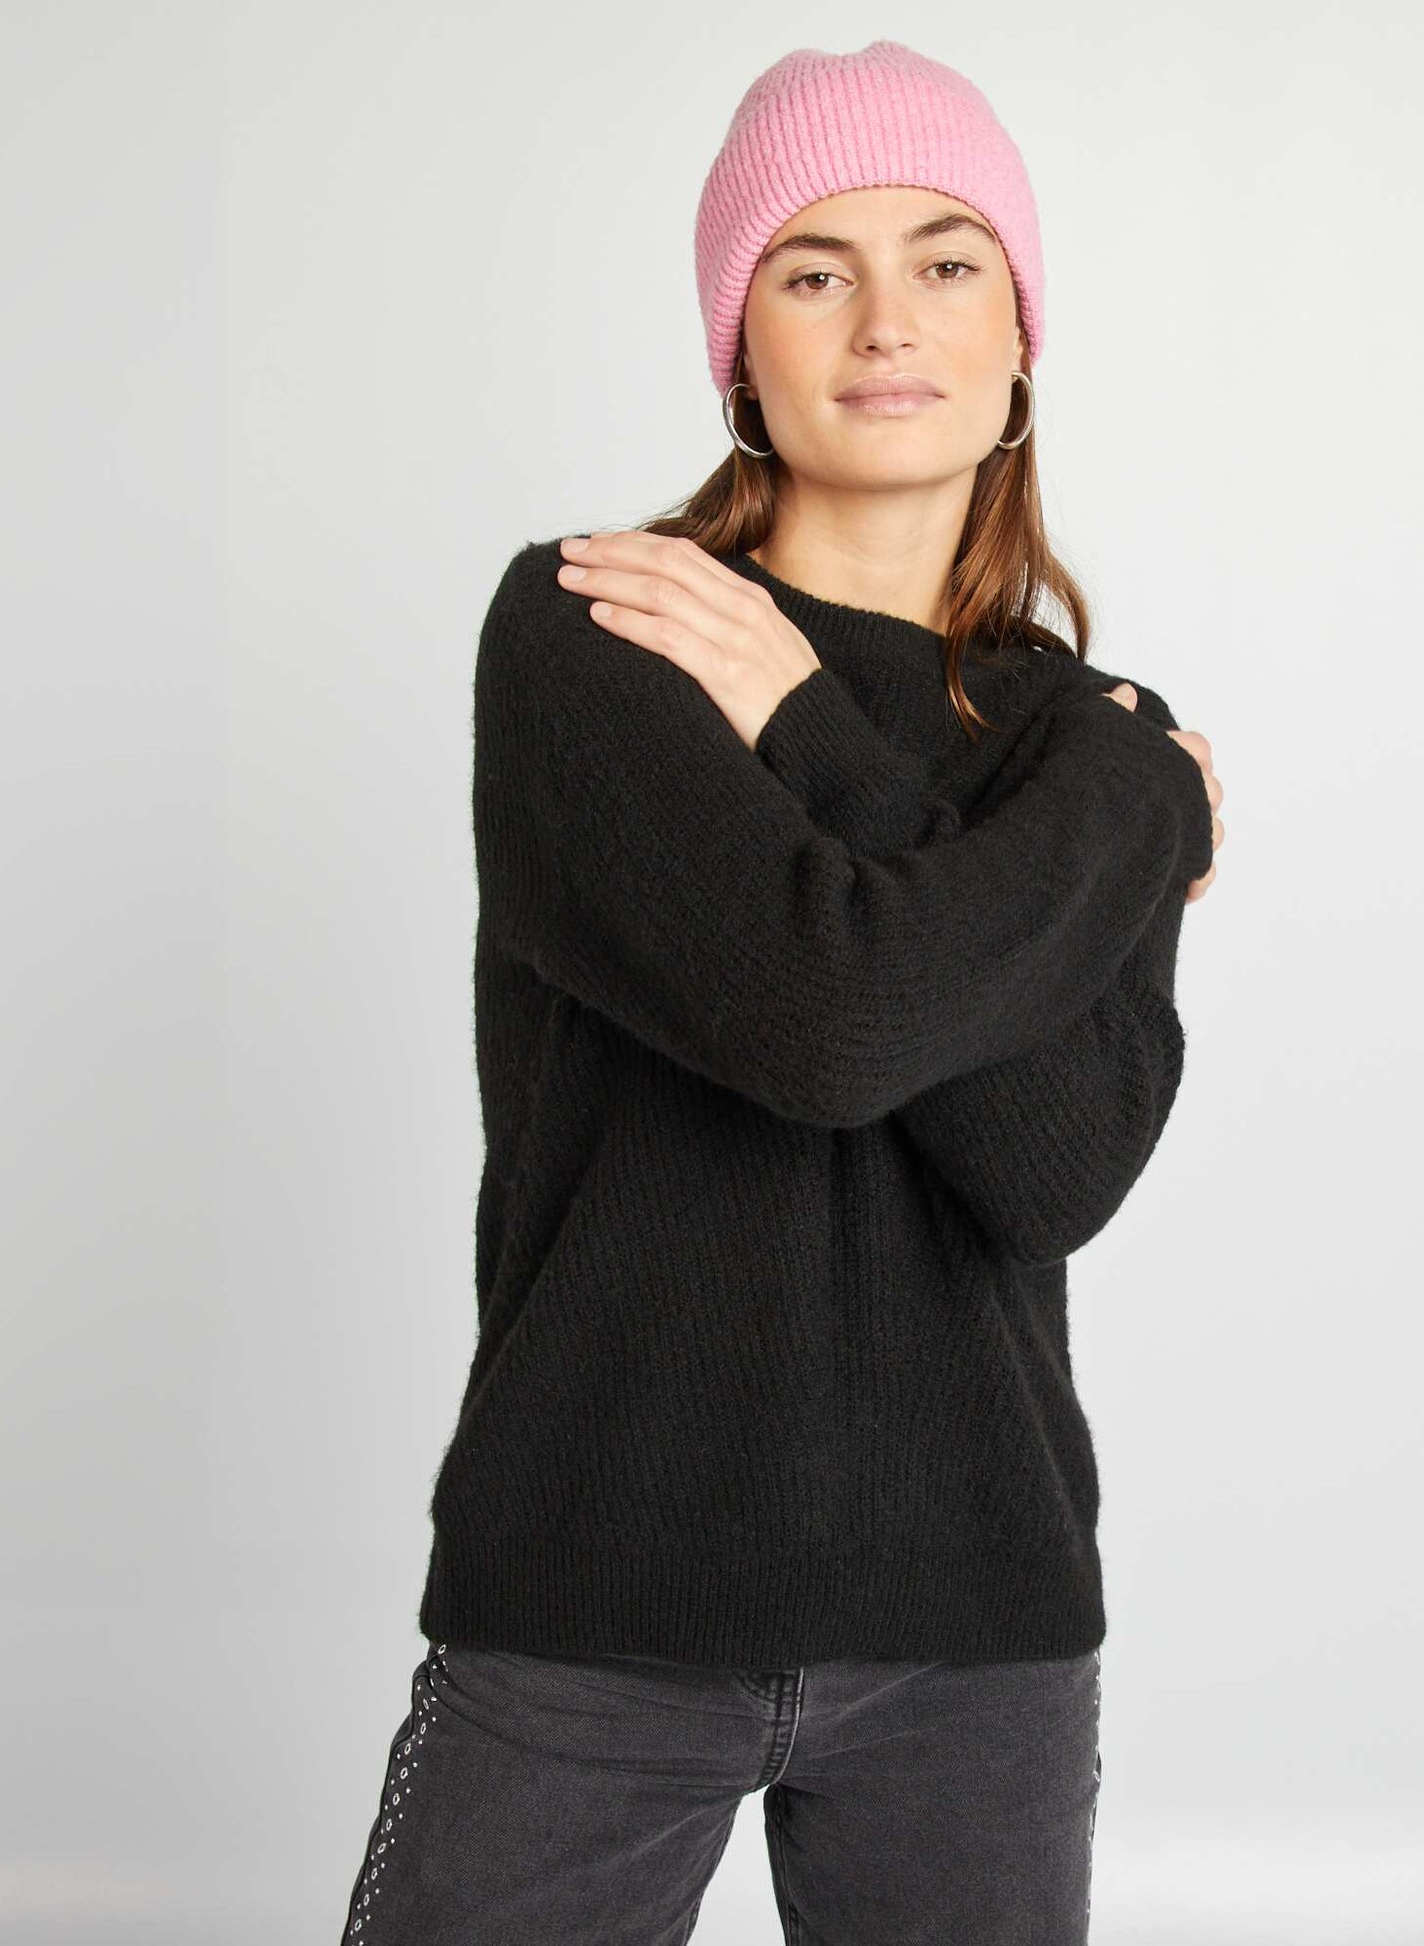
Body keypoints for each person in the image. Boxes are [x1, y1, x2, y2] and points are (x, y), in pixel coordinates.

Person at [339, 38, 1225, 1946]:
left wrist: (821, 735)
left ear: (1018, 336)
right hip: (598, 1599)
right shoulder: (605, 626)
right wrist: (1129, 812)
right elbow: (834, 1024)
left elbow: (1050, 1169)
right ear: (736, 346)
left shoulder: (1084, 751)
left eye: (947, 261)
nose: (886, 320)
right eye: (813, 268)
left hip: (978, 1631)